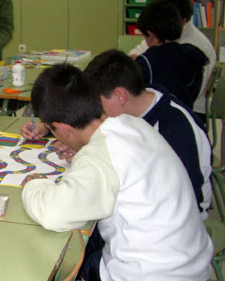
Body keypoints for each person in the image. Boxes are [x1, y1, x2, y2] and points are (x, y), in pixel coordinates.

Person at [21, 64, 212, 281]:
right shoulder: (129, 125)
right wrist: (82, 156)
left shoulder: (98, 158)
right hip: (191, 265)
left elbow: (53, 213)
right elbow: (111, 173)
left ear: (63, 128)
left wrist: (32, 185)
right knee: (88, 249)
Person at [21, 50, 212, 220]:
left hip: (172, 230)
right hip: (156, 226)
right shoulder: (133, 122)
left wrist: (34, 184)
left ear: (120, 96)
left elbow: (55, 212)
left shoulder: (176, 128)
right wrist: (84, 146)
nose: (90, 108)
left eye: (94, 100)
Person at [85, 49, 212, 220]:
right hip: (142, 201)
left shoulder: (177, 130)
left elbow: (188, 201)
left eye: (99, 104)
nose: (97, 112)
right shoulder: (132, 110)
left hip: (174, 221)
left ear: (120, 96)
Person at [129, 0, 216, 119]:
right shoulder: (163, 37)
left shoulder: (198, 44)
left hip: (190, 109)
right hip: (172, 107)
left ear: (183, 20)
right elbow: (139, 50)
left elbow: (192, 93)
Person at [134, 0, 208, 111]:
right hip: (185, 117)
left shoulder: (148, 61)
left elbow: (131, 90)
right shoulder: (193, 56)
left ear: (151, 35)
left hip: (156, 121)